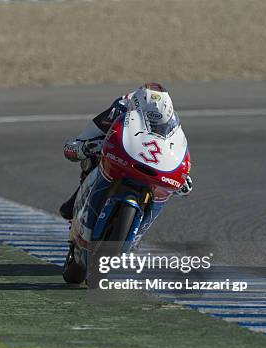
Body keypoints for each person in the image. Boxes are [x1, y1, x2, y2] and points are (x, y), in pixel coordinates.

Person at [59, 83, 193, 237]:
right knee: (91, 160)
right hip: (118, 158)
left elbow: (176, 150)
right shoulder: (120, 108)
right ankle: (80, 202)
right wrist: (84, 147)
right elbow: (74, 146)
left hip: (145, 164)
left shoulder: (172, 122)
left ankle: (137, 233)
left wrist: (182, 175)